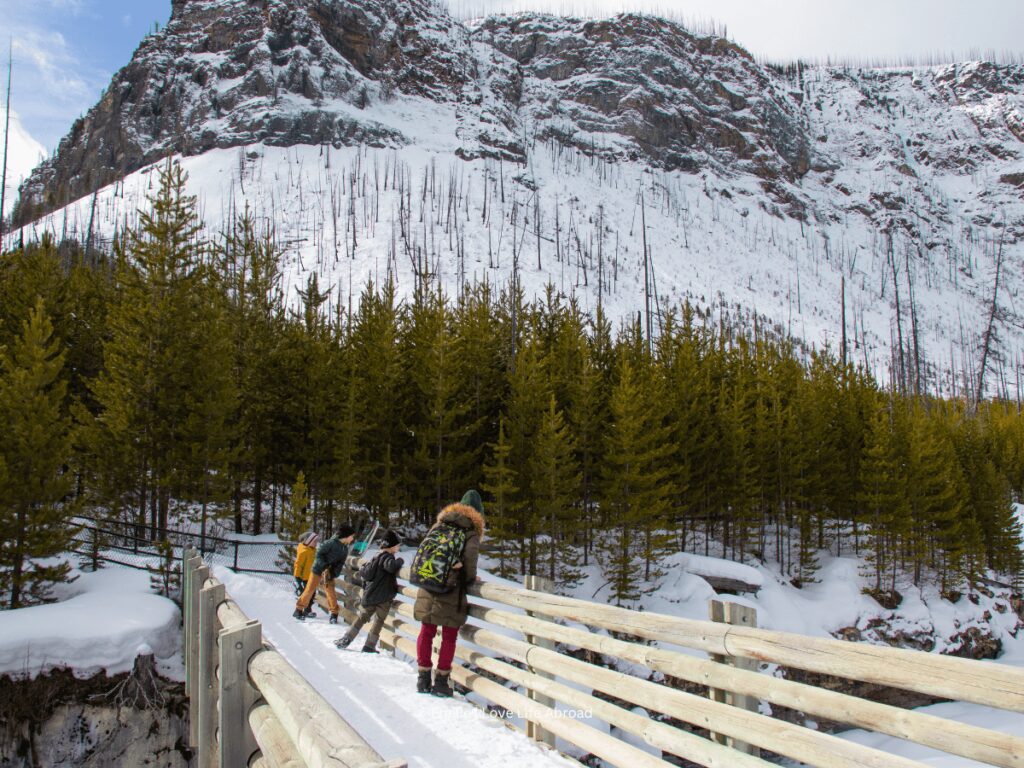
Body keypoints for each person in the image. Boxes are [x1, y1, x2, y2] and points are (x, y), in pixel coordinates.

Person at [413, 490, 484, 697]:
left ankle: (423, 678)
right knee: (449, 635)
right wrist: (469, 578)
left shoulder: (440, 524)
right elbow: (470, 561)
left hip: (429, 582)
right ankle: (442, 682)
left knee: (426, 630)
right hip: (451, 588)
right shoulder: (470, 531)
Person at [334, 529, 404, 652]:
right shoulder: (387, 557)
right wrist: (400, 561)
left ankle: (347, 638)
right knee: (379, 621)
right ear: (391, 546)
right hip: (383, 597)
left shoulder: (376, 557)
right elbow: (391, 567)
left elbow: (365, 573)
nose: (398, 548)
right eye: (397, 546)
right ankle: (370, 645)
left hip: (370, 595)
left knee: (362, 618)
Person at [293, 523, 356, 623]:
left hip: (329, 573)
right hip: (318, 570)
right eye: (352, 536)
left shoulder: (345, 549)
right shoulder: (330, 543)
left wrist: (333, 572)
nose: (352, 538)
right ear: (346, 536)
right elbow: (319, 554)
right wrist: (324, 566)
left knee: (331, 592)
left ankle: (334, 614)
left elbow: (340, 563)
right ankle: (298, 610)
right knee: (309, 589)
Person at [293, 530, 320, 617]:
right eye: (315, 541)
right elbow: (298, 565)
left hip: (311, 576)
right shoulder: (304, 552)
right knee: (306, 595)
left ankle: (307, 610)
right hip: (304, 578)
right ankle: (298, 611)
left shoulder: (313, 550)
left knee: (312, 594)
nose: (316, 543)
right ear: (309, 541)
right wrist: (297, 578)